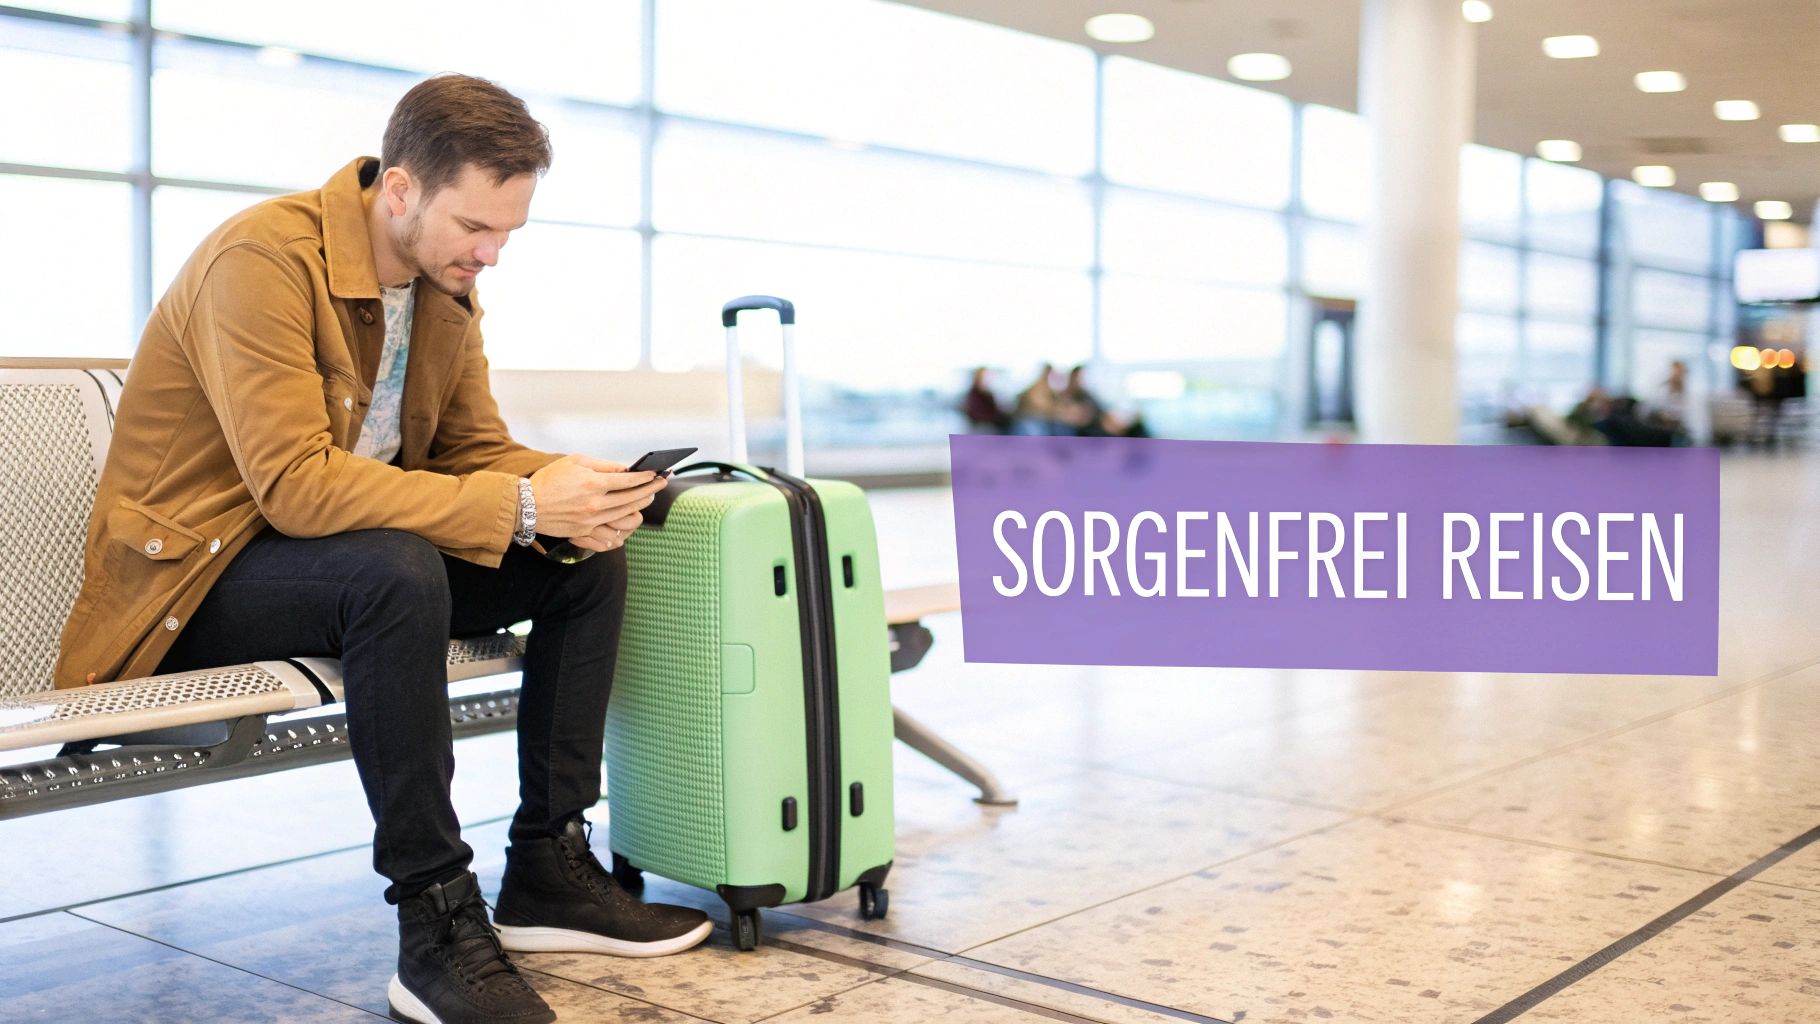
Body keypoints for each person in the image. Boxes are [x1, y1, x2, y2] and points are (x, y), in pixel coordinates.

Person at [53, 75, 712, 1024]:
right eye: (476, 228)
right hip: (194, 580)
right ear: (398, 191)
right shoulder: (262, 261)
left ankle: (549, 867)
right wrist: (526, 503)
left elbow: (473, 453)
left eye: (508, 234)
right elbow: (296, 484)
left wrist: (580, 491)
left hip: (331, 567)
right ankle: (436, 923)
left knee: (582, 561)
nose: (491, 255)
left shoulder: (444, 286)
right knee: (395, 573)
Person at [1011, 363, 1060, 434]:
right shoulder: (1036, 387)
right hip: (1030, 420)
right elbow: (1042, 406)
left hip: (1043, 421)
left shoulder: (1049, 389)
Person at [960, 366, 1011, 433]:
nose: (986, 380)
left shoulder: (989, 394)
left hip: (994, 424)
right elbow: (975, 414)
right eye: (984, 377)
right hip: (984, 426)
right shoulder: (973, 395)